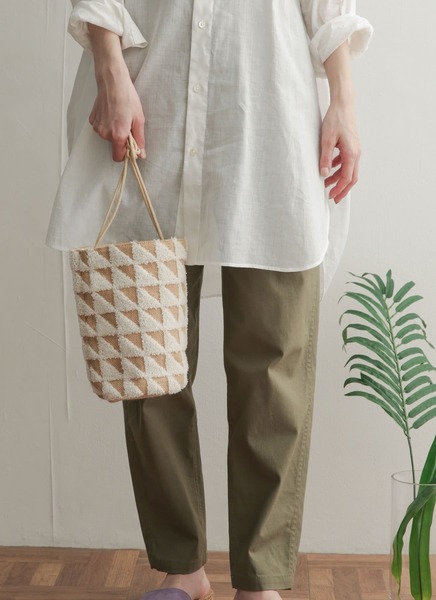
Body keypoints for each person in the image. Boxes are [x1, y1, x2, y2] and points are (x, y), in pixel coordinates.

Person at [45, 2, 374, 599]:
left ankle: (261, 582)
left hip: (268, 118)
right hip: (148, 107)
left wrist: (344, 103)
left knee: (273, 368)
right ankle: (183, 570)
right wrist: (109, 70)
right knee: (149, 364)